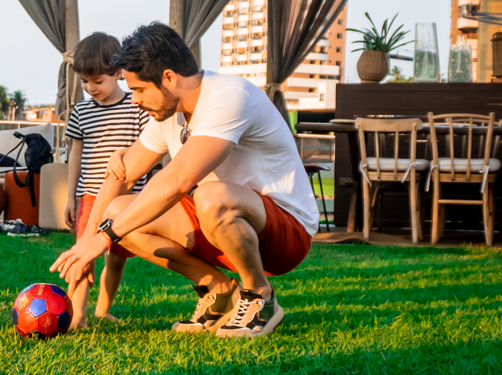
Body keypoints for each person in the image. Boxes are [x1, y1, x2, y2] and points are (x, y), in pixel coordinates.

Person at [51, 22, 318, 338]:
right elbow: (121, 177)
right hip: (222, 227)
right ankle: (218, 291)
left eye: (138, 89)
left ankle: (259, 295)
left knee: (210, 197)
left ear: (168, 78)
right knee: (117, 211)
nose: (134, 100)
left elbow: (177, 180)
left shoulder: (229, 96)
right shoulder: (167, 113)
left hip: (284, 234)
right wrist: (87, 243)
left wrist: (103, 239)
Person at [63, 32, 149, 328]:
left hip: (128, 198)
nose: (90, 88)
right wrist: (69, 197)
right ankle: (77, 315)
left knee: (116, 258)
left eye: (98, 81)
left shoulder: (137, 106)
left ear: (118, 73)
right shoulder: (82, 111)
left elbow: (151, 147)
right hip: (90, 197)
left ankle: (103, 308)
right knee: (84, 256)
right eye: (85, 82)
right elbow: (75, 154)